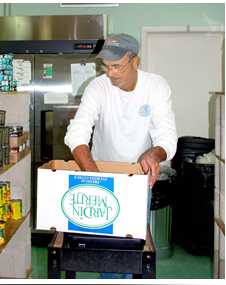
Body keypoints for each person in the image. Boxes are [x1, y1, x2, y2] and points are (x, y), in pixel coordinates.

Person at [64, 33, 178, 279]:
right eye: (106, 67)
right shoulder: (98, 87)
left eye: (117, 66)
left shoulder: (155, 85)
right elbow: (77, 132)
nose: (110, 74)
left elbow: (167, 136)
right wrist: (94, 177)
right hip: (101, 175)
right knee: (107, 248)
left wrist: (155, 153)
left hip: (138, 180)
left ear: (135, 63)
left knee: (133, 243)